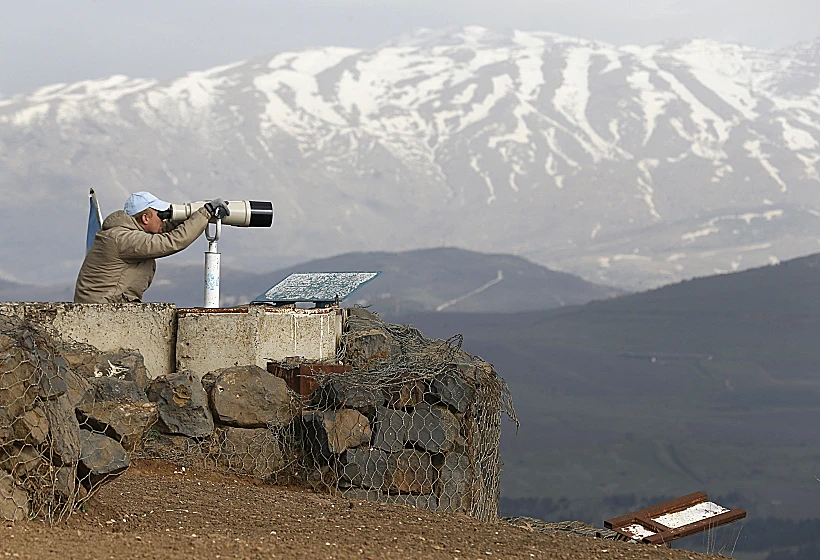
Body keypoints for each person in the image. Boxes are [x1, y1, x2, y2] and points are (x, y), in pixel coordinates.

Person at [74, 192, 230, 303]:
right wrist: (205, 213)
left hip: (106, 307)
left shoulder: (122, 232)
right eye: (160, 215)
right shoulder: (121, 238)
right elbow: (171, 241)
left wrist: (191, 214)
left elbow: (165, 229)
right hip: (99, 313)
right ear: (145, 218)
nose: (163, 218)